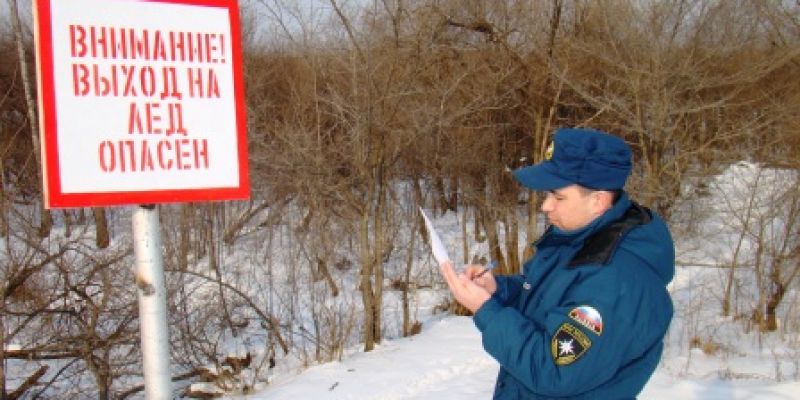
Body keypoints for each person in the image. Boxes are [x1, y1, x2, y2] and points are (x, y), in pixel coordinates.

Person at [439, 127, 675, 399]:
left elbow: (552, 369)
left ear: (598, 200)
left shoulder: (616, 282)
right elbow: (546, 297)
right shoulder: (578, 238)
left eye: (558, 197)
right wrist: (497, 289)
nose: (545, 206)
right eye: (547, 195)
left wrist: (486, 309)